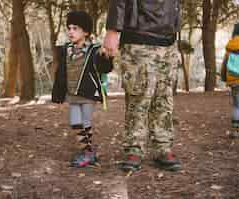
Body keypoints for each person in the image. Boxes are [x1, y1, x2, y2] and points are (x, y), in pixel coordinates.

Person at [102, 0, 182, 171]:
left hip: (168, 41)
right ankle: (134, 149)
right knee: (138, 97)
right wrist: (112, 30)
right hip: (138, 38)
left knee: (164, 98)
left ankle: (163, 147)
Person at [52, 11, 113, 168]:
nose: (71, 31)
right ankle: (88, 151)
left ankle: (87, 153)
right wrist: (58, 93)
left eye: (76, 28)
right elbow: (60, 73)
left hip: (88, 93)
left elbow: (105, 69)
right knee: (75, 123)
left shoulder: (94, 50)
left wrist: (107, 56)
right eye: (69, 28)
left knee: (85, 122)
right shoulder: (65, 50)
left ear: (85, 32)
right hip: (72, 93)